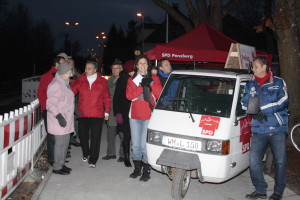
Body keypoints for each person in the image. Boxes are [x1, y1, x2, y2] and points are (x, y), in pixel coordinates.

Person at [241, 56, 288, 200]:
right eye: (253, 67)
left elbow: (284, 100)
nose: (253, 69)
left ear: (264, 67)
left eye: (255, 66)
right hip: (259, 130)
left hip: (277, 129)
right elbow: (243, 103)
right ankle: (260, 189)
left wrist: (262, 109)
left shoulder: (278, 82)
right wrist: (253, 112)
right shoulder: (250, 84)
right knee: (254, 161)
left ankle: (278, 192)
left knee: (280, 162)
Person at [126, 55, 162, 181]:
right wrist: (141, 85)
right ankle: (137, 168)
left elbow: (159, 94)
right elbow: (129, 96)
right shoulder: (132, 79)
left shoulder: (154, 78)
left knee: (143, 145)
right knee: (135, 145)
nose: (143, 66)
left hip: (148, 116)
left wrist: (151, 83)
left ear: (148, 65)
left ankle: (146, 170)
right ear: (136, 65)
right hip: (135, 116)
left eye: (145, 63)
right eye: (140, 63)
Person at [71, 61, 111, 168]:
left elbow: (106, 98)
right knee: (83, 137)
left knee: (95, 138)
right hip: (83, 114)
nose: (86, 70)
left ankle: (93, 159)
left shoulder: (102, 82)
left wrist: (106, 112)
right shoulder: (81, 80)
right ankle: (86, 153)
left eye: (89, 68)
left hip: (97, 115)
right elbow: (71, 91)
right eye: (86, 68)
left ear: (95, 70)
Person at [46, 62, 74, 175]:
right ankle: (57, 167)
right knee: (60, 144)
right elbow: (50, 104)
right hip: (59, 121)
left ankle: (61, 163)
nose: (71, 74)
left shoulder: (63, 82)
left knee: (65, 143)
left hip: (65, 120)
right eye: (69, 72)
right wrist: (59, 116)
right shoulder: (56, 85)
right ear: (63, 73)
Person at [37, 56, 65, 165]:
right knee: (52, 135)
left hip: (59, 110)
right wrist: (46, 109)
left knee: (58, 134)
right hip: (50, 110)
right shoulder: (47, 76)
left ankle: (58, 157)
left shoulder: (60, 75)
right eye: (62, 64)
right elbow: (41, 93)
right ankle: (53, 159)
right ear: (56, 64)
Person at [113, 60, 135, 167]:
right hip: (125, 112)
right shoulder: (122, 80)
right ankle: (126, 157)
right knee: (127, 136)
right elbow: (116, 98)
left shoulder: (136, 78)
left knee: (133, 136)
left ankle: (135, 157)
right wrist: (117, 113)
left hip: (135, 112)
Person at [102, 59, 124, 162]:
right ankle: (111, 154)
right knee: (110, 134)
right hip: (111, 111)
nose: (115, 70)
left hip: (121, 111)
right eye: (113, 68)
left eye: (117, 68)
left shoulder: (125, 80)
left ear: (121, 69)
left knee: (122, 134)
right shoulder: (109, 80)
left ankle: (123, 155)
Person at [69, 58, 81, 147]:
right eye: (69, 63)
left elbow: (81, 80)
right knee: (69, 122)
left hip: (75, 100)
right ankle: (69, 141)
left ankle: (73, 139)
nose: (71, 65)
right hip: (68, 101)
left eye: (72, 64)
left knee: (75, 121)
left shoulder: (75, 74)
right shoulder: (64, 74)